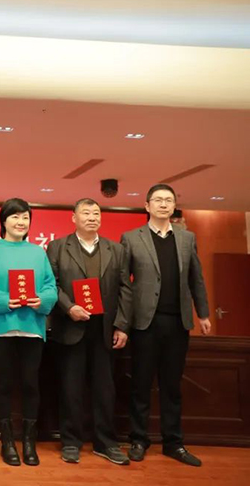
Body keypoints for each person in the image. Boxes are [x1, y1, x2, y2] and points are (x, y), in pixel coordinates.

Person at [122, 184, 210, 466]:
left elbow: (196, 278)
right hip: (144, 323)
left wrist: (203, 314)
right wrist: (121, 323)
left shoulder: (187, 238)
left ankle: (174, 443)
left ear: (173, 206)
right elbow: (124, 284)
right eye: (158, 200)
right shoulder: (131, 238)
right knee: (141, 384)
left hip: (177, 323)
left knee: (172, 386)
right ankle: (138, 439)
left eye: (168, 200)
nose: (163, 204)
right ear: (147, 206)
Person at [0, 198, 58, 466]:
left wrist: (41, 300)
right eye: (15, 217)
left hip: (32, 326)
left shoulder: (38, 252)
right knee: (3, 384)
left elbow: (51, 286)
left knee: (31, 384)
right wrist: (4, 300)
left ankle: (29, 443)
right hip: (1, 327)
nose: (21, 222)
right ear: (3, 220)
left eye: (25, 218)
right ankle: (7, 442)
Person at [46, 198, 131, 465]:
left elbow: (125, 289)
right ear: (74, 217)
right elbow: (51, 284)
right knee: (71, 388)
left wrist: (122, 325)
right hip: (71, 327)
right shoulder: (58, 247)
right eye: (86, 213)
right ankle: (71, 442)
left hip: (104, 330)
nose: (92, 217)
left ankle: (105, 443)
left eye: (96, 213)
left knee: (105, 390)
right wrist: (69, 307)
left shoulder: (116, 249)